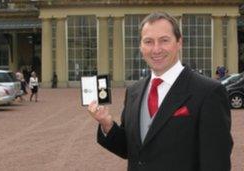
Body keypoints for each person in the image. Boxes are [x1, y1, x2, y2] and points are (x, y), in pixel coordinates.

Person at [87, 12, 233, 171]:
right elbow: (132, 150)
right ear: (141, 47)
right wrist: (107, 124)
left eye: (164, 40)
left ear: (179, 42)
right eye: (148, 41)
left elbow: (216, 162)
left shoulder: (209, 92)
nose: (156, 49)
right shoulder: (133, 92)